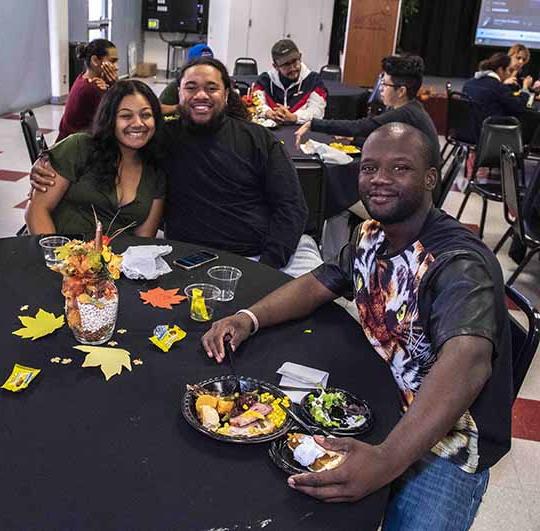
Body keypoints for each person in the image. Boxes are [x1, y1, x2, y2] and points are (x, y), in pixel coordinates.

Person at [202, 123, 511, 531]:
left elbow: (468, 361)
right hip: (379, 402)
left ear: (430, 178)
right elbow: (317, 283)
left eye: (400, 168)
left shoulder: (458, 265)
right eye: (369, 168)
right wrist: (248, 318)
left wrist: (386, 459)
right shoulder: (372, 235)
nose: (379, 179)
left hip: (448, 443)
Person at [32, 57, 316, 275]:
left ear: (226, 94)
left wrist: (267, 265)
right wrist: (43, 167)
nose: (201, 95)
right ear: (177, 95)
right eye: (191, 88)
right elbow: (107, 143)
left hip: (260, 255)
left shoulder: (258, 140)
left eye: (211, 88)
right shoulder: (160, 140)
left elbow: (292, 207)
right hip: (187, 258)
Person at [25, 80, 166, 237]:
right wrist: (56, 257)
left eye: (146, 115)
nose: (138, 123)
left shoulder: (155, 169)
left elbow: (144, 240)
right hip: (57, 252)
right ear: (110, 118)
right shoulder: (79, 148)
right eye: (126, 116)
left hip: (116, 259)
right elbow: (37, 210)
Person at [295, 55, 440, 173]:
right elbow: (385, 143)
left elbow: (360, 126)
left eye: (385, 84)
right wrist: (353, 140)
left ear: (401, 91)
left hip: (420, 189)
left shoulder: (405, 113)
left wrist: (314, 123)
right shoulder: (407, 108)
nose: (380, 89)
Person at [56, 39, 119, 143]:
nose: (116, 67)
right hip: (75, 152)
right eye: (112, 61)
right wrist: (114, 84)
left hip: (71, 144)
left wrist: (109, 87)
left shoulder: (83, 78)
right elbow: (116, 118)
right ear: (95, 60)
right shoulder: (93, 89)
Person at [251, 39, 327, 124]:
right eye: (286, 64)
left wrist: (294, 117)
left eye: (295, 61)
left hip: (302, 132)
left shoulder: (314, 81)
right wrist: (268, 113)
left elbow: (318, 112)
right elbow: (255, 104)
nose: (292, 68)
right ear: (275, 66)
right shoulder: (264, 80)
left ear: (300, 57)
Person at [463, 52, 532, 127]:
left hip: (464, 132)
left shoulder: (468, 83)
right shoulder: (499, 87)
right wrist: (525, 88)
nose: (509, 74)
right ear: (500, 69)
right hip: (488, 134)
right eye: (509, 70)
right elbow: (519, 107)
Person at [158, 43, 213, 115]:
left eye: (209, 65)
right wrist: (181, 108)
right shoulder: (177, 85)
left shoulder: (219, 85)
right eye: (191, 88)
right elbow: (157, 109)